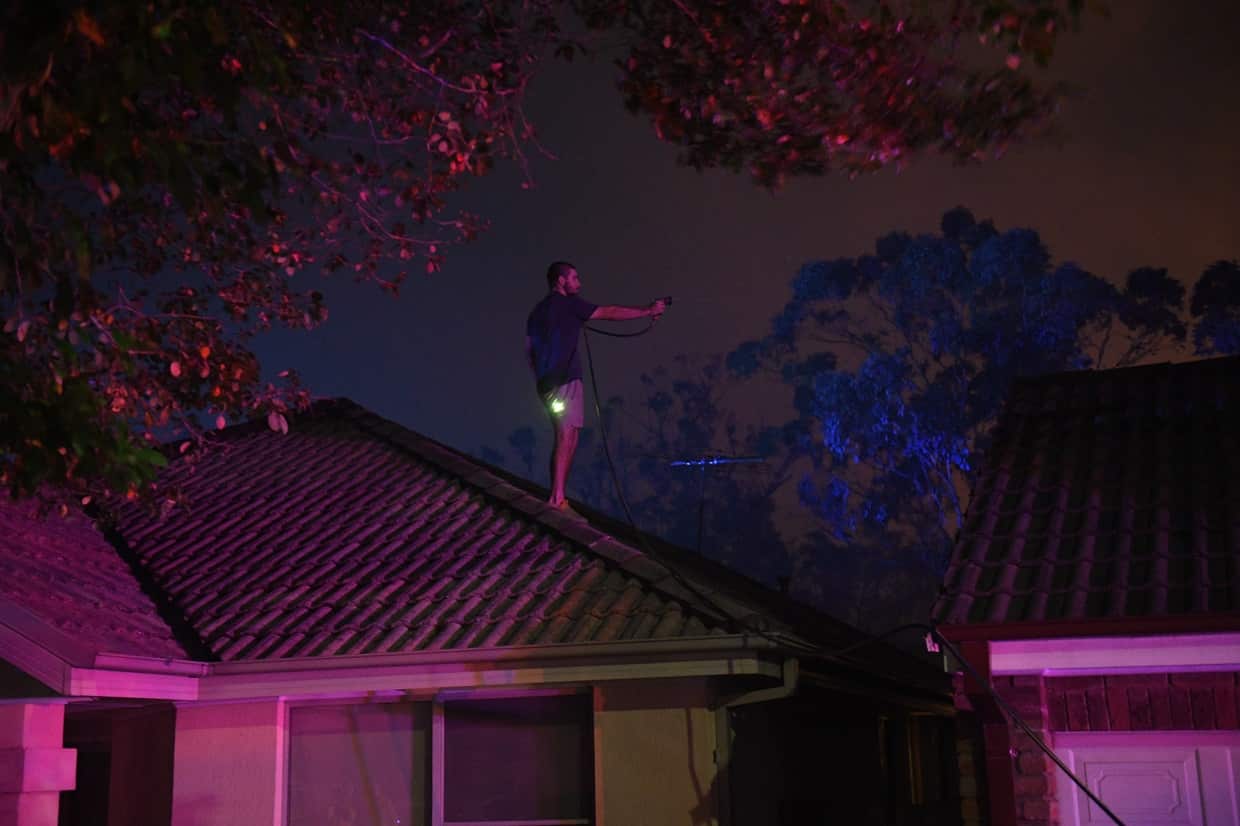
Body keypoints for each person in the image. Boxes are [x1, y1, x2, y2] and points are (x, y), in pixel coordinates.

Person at [525, 261, 667, 509]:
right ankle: (556, 498)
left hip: (547, 383)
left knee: (571, 434)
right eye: (574, 278)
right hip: (565, 379)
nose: (579, 283)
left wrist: (540, 377)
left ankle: (559, 496)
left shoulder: (537, 312)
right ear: (561, 281)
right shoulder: (569, 304)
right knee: (566, 434)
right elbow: (609, 312)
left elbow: (528, 350)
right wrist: (647, 311)